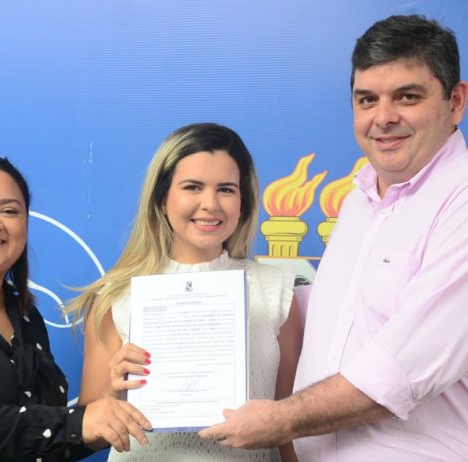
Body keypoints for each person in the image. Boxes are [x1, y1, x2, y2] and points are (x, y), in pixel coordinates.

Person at [199, 14, 468, 461]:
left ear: (455, 102)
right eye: (367, 100)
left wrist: (281, 419)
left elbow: (402, 369)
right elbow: (332, 322)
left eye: (407, 97)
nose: (384, 118)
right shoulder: (359, 200)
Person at [67, 122, 303, 461]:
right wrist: (115, 394)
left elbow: (289, 427)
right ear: (162, 199)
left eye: (226, 189)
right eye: (193, 187)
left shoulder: (277, 291)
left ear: (243, 202)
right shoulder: (115, 296)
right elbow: (88, 437)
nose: (210, 204)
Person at [0, 153, 152, 462]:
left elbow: (49, 443)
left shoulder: (25, 315)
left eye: (10, 211)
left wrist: (111, 412)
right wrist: (77, 423)